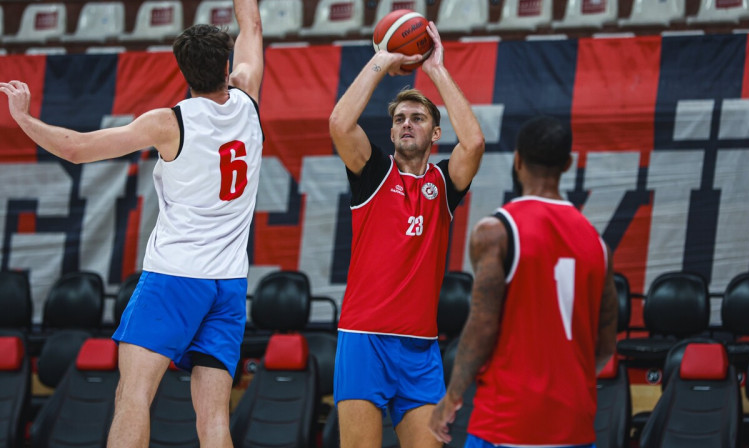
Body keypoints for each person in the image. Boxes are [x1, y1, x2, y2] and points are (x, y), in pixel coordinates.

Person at [1, 0, 263, 445]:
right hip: (229, 282)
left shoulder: (169, 122)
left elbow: (77, 149)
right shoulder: (248, 99)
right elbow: (251, 23)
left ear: (182, 72)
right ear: (226, 65)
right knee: (214, 417)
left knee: (134, 396)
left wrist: (24, 117)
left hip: (175, 278)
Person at [328, 21, 485, 448]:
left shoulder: (443, 185)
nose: (406, 124)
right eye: (399, 119)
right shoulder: (373, 173)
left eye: (418, 118)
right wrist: (383, 59)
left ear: (436, 133)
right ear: (392, 131)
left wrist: (435, 69)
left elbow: (472, 144)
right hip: (365, 340)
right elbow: (341, 124)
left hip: (420, 349)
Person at [429, 116, 619, 448]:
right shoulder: (597, 245)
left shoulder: (496, 232)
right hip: (574, 424)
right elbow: (604, 346)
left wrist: (453, 396)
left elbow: (482, 326)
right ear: (568, 164)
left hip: (508, 422)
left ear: (517, 161)